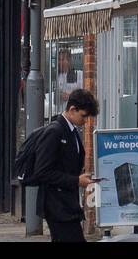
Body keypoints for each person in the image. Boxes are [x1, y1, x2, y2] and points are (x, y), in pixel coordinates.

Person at [29, 88, 98, 243]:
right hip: (57, 205)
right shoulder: (55, 131)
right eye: (84, 116)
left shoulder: (71, 131)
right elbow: (42, 171)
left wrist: (80, 177)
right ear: (72, 109)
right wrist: (76, 181)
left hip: (67, 203)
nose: (86, 121)